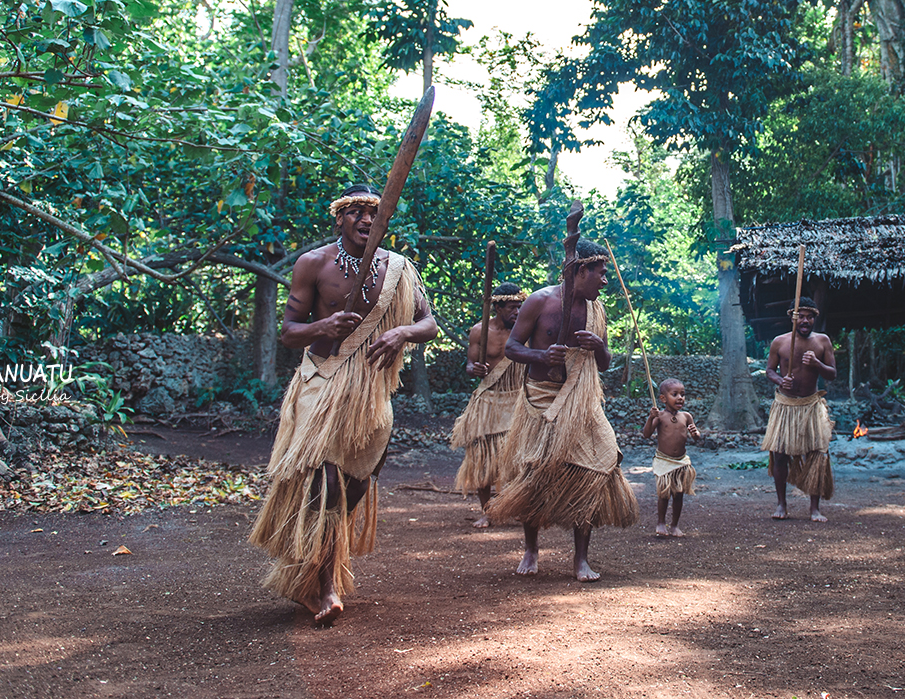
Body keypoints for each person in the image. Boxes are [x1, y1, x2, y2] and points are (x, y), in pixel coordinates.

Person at [248, 185, 438, 625]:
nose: (367, 219)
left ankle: (305, 573)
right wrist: (326, 323)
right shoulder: (314, 264)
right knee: (325, 484)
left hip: (370, 392)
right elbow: (289, 331)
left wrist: (402, 333)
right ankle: (328, 587)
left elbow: (429, 323)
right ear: (340, 218)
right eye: (357, 211)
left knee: (352, 489)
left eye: (375, 212)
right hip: (321, 380)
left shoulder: (400, 269)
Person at [486, 240, 639, 581]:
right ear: (581, 270)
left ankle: (581, 558)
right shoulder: (539, 301)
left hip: (581, 401)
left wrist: (599, 347)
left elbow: (604, 363)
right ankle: (531, 548)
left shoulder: (598, 309)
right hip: (541, 399)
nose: (604, 281)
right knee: (533, 471)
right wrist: (541, 356)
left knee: (595, 466)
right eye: (600, 274)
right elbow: (512, 348)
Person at [449, 282, 528, 527]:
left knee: (519, 456)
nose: (517, 312)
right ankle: (487, 511)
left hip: (517, 397)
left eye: (519, 307)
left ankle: (516, 506)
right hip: (489, 399)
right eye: (512, 308)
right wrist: (477, 369)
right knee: (482, 457)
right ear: (497, 307)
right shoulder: (479, 331)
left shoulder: (525, 330)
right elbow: (469, 366)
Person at [762, 297, 837, 522]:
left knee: (816, 454)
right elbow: (769, 370)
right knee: (780, 455)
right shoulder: (780, 342)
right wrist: (779, 380)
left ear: (815, 318)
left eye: (809, 317)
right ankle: (781, 504)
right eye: (800, 316)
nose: (805, 321)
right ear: (792, 317)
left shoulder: (823, 342)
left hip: (811, 404)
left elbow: (832, 374)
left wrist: (818, 364)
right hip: (785, 405)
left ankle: (814, 508)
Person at [641, 377, 701, 537]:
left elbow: (696, 437)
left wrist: (696, 434)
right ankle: (661, 523)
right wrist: (650, 417)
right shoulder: (659, 416)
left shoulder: (686, 416)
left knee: (678, 494)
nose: (680, 397)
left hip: (681, 461)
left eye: (683, 394)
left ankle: (675, 525)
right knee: (664, 493)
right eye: (675, 394)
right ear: (663, 398)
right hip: (664, 461)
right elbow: (646, 434)